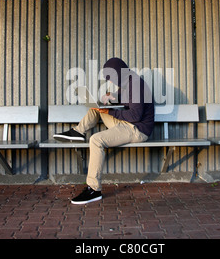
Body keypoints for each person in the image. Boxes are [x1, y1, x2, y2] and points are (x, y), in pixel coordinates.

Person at [53, 57, 155, 204]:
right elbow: (126, 99)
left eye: (112, 78)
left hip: (137, 130)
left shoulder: (136, 84)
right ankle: (78, 132)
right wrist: (112, 96)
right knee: (97, 109)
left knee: (96, 140)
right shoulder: (127, 82)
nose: (112, 82)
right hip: (128, 125)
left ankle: (94, 189)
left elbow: (135, 115)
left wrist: (109, 111)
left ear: (119, 73)